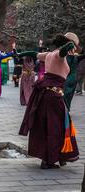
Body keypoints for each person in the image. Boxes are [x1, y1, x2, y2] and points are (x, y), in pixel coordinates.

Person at [19, 33, 80, 169]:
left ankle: (52, 157)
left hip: (45, 94)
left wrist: (21, 54)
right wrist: (69, 45)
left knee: (47, 126)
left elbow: (34, 54)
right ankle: (50, 160)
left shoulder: (49, 54)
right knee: (56, 127)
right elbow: (64, 50)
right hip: (53, 96)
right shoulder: (59, 54)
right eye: (75, 46)